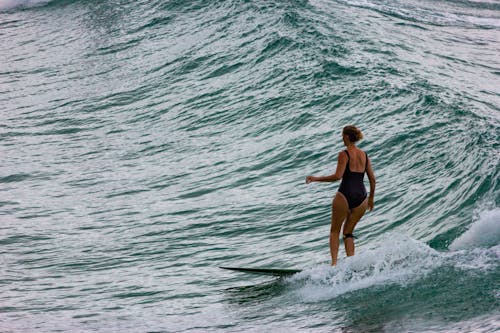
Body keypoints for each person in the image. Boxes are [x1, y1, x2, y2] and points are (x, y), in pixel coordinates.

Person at [306, 125, 376, 266]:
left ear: (347, 136)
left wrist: (315, 179)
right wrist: (371, 198)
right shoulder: (365, 155)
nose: (341, 138)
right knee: (348, 233)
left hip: (345, 194)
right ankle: (351, 265)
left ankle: (333, 265)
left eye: (342, 135)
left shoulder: (344, 154)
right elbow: (372, 179)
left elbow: (337, 177)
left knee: (334, 231)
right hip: (362, 197)